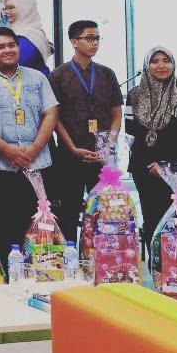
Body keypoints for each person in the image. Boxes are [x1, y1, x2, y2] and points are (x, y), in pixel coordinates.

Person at [0, 27, 58, 265]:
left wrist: (35, 147)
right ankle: (9, 277)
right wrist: (6, 149)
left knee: (39, 226)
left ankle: (38, 274)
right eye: (1, 47)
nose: (7, 50)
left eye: (12, 45)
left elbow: (51, 112)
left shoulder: (38, 78)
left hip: (37, 165)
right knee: (1, 227)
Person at [48, 20, 123, 240]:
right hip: (70, 154)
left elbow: (116, 113)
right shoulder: (58, 75)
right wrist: (72, 147)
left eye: (97, 38)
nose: (94, 43)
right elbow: (54, 117)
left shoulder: (107, 74)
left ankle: (102, 254)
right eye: (89, 38)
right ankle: (71, 255)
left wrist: (108, 144)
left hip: (103, 154)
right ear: (74, 41)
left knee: (106, 210)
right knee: (69, 212)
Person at [125, 47, 177, 253]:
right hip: (144, 169)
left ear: (173, 64)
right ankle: (156, 266)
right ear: (146, 66)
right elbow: (131, 133)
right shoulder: (134, 95)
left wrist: (164, 165)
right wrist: (149, 164)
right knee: (152, 220)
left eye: (166, 60)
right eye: (155, 61)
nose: (161, 65)